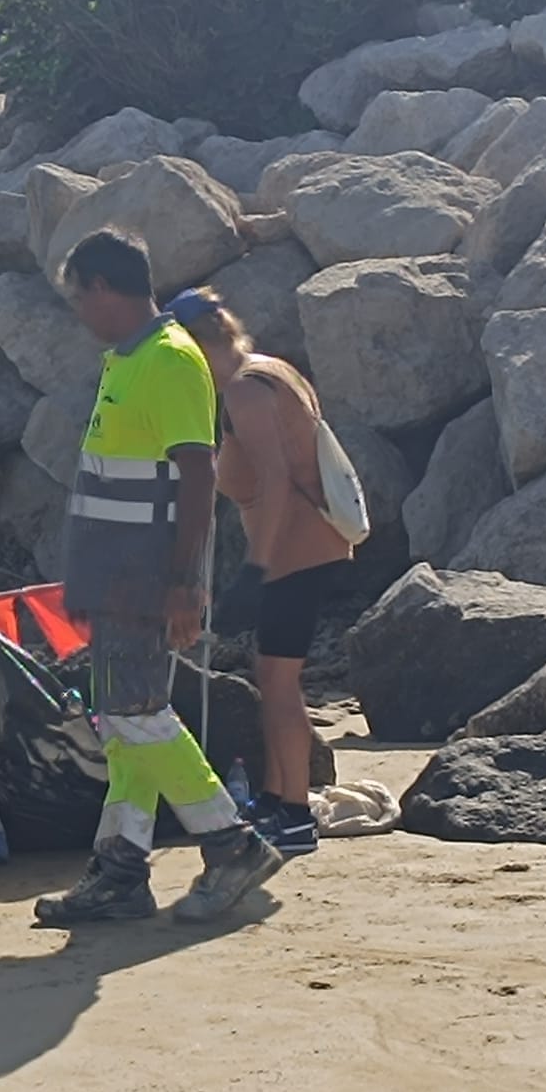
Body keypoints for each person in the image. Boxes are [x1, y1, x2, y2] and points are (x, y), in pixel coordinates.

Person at [38, 230, 283, 926]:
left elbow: (197, 475)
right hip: (115, 577)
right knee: (123, 722)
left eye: (79, 297)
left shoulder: (169, 360)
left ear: (103, 288)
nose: (79, 312)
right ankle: (120, 870)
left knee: (137, 713)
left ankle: (230, 841)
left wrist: (183, 584)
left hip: (143, 575)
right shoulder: (130, 359)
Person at [168, 288, 352, 859]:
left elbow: (274, 481)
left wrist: (257, 567)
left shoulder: (246, 391)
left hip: (294, 552)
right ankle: (277, 798)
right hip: (306, 546)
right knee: (273, 675)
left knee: (276, 683)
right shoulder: (267, 370)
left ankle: (294, 814)